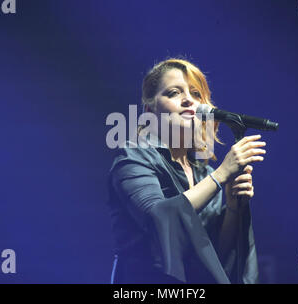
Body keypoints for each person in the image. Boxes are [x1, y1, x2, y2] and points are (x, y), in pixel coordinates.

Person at [107, 58, 267, 284]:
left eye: (196, 94)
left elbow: (213, 256)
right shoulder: (133, 157)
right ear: (149, 110)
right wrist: (221, 175)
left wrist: (232, 207)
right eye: (173, 93)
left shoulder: (204, 173)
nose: (188, 101)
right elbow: (158, 218)